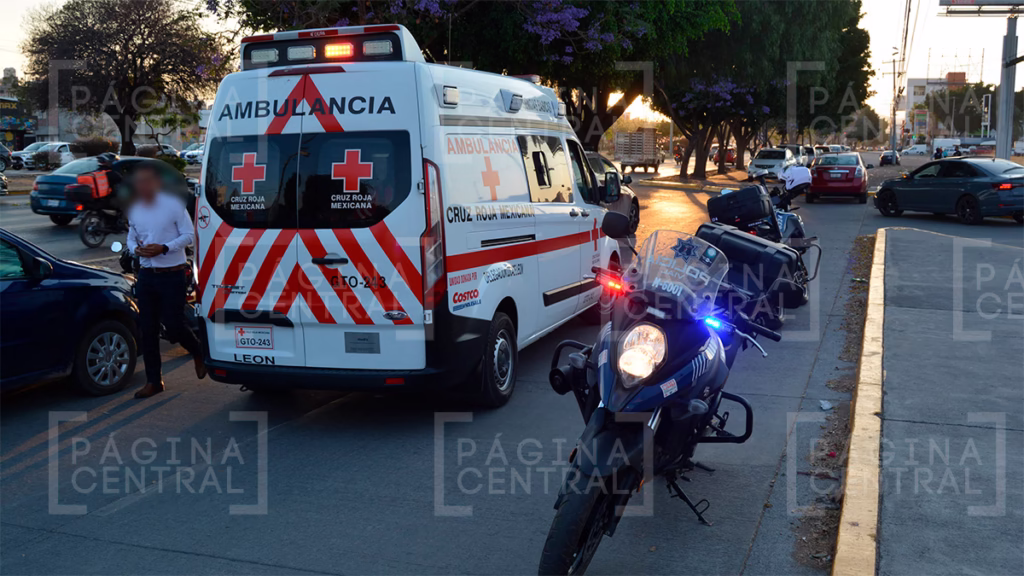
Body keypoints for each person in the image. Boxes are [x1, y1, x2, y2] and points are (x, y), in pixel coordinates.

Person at [126, 163, 205, 398]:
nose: (142, 186)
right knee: (148, 329)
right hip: (147, 275)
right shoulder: (135, 209)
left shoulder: (173, 206)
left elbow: (189, 236)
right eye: (139, 182)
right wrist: (135, 250)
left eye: (147, 181)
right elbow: (131, 238)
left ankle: (198, 351)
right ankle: (154, 381)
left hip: (172, 273)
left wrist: (164, 248)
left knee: (174, 325)